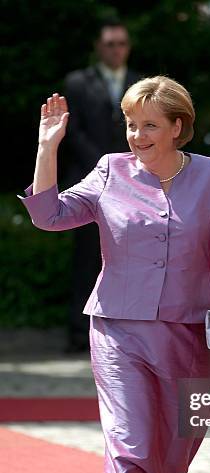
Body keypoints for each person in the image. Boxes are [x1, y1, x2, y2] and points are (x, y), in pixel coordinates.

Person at [19, 77, 210, 473]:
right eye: (131, 124)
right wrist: (46, 148)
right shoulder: (109, 171)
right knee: (129, 445)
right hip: (118, 332)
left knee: (172, 457)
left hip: (192, 337)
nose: (137, 135)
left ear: (177, 126)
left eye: (149, 124)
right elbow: (49, 215)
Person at [63, 18, 140, 352]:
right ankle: (80, 333)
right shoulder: (78, 82)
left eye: (121, 43)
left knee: (130, 257)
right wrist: (105, 166)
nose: (116, 49)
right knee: (86, 259)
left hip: (134, 185)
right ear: (98, 47)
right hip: (89, 182)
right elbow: (73, 131)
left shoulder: (141, 83)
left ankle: (127, 333)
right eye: (110, 44)